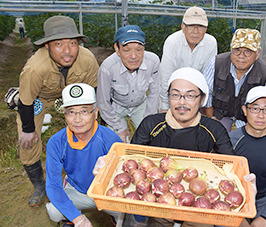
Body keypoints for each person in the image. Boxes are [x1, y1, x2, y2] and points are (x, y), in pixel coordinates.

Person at [94, 67, 235, 227]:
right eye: (175, 95)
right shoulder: (151, 124)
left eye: (190, 96)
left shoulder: (214, 130)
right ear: (168, 97)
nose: (182, 102)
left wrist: (246, 181)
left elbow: (232, 166)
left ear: (202, 99)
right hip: (159, 203)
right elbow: (130, 159)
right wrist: (109, 163)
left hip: (199, 207)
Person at [17, 15, 99, 207]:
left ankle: (87, 173)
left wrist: (90, 120)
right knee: (27, 139)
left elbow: (93, 92)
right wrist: (28, 130)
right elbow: (26, 102)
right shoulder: (34, 68)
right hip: (40, 98)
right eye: (59, 44)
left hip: (75, 96)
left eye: (73, 43)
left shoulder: (87, 59)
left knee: (87, 129)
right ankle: (39, 185)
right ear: (47, 46)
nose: (67, 50)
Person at [45, 83, 122, 227]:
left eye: (85, 111)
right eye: (71, 112)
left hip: (106, 192)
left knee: (133, 217)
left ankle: (116, 216)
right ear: (64, 114)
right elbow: (53, 186)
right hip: (78, 190)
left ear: (96, 112)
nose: (78, 119)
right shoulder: (56, 142)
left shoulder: (110, 138)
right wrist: (78, 218)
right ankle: (71, 218)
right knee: (54, 210)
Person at [229, 86, 266, 227]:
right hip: (231, 196)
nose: (261, 115)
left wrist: (265, 218)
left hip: (263, 199)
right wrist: (240, 220)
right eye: (255, 109)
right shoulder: (231, 140)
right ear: (245, 110)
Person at [203, 28, 266, 132]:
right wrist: (211, 118)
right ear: (231, 49)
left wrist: (255, 127)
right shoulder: (216, 64)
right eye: (237, 50)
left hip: (248, 122)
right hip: (219, 117)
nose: (241, 56)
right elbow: (205, 93)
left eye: (247, 51)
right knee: (213, 141)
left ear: (258, 53)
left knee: (245, 145)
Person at [97, 25, 160, 143]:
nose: (133, 56)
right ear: (117, 49)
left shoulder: (153, 61)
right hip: (116, 107)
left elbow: (154, 93)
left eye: (139, 49)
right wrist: (119, 127)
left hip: (140, 105)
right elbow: (103, 102)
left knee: (152, 138)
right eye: (126, 50)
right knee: (120, 143)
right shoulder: (107, 67)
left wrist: (149, 121)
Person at [159, 6, 218, 112]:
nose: (195, 31)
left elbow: (207, 78)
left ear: (206, 29)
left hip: (195, 95)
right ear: (183, 27)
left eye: (200, 26)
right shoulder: (172, 42)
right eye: (191, 26)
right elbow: (166, 76)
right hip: (174, 93)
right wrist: (165, 106)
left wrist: (202, 103)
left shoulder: (211, 43)